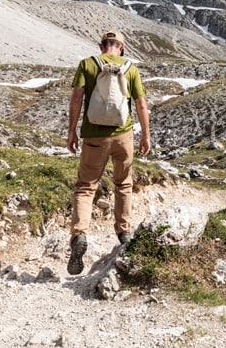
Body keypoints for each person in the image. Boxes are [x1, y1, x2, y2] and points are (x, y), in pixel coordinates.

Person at [66, 30, 151, 275]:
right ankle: (124, 232)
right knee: (123, 183)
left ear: (101, 45)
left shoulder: (87, 64)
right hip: (123, 136)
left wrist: (72, 132)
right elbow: (141, 104)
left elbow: (76, 100)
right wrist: (145, 135)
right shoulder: (130, 68)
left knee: (86, 187)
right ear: (121, 48)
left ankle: (79, 236)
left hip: (93, 136)